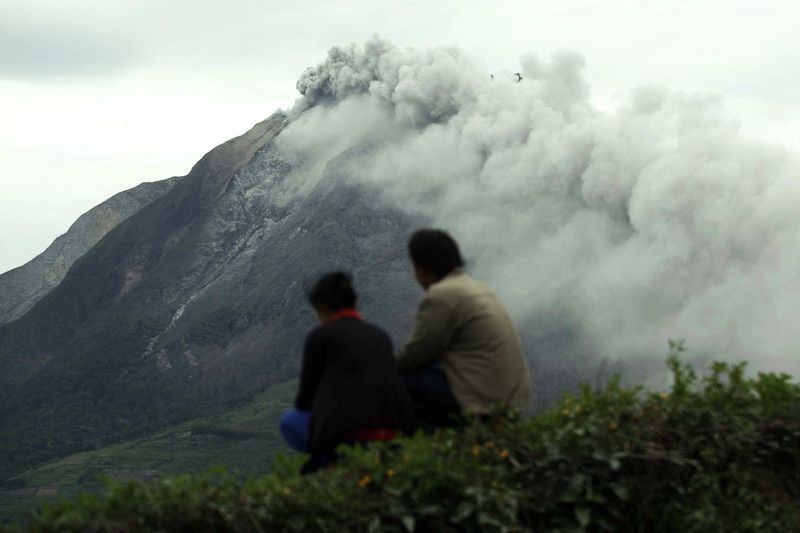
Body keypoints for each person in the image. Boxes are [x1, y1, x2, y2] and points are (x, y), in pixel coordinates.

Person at [280, 271, 415, 473]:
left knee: (290, 421)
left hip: (345, 433)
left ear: (323, 309)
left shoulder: (320, 336)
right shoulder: (380, 336)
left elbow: (305, 401)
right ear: (355, 301)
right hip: (391, 431)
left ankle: (326, 460)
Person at [396, 229, 531, 428]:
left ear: (421, 270)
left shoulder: (442, 295)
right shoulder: (477, 288)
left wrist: (380, 365)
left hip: (484, 401)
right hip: (512, 398)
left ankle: (424, 449)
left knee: (397, 379)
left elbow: (415, 355)